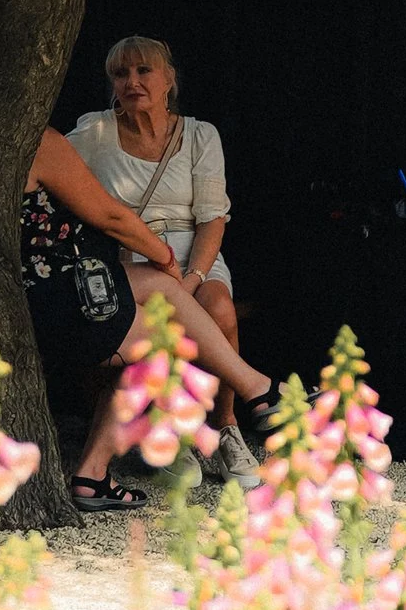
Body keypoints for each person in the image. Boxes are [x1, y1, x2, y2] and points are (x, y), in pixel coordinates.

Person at [20, 127, 281, 515]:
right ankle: (99, 470)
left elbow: (212, 217)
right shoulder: (36, 139)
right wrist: (164, 254)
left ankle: (256, 389)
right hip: (57, 297)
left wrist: (169, 270)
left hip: (46, 284)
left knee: (162, 289)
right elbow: (110, 216)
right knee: (165, 332)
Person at [70, 34, 258, 487]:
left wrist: (190, 278)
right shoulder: (94, 132)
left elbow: (213, 218)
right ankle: (172, 429)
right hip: (126, 254)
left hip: (193, 253)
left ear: (169, 79)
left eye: (143, 70)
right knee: (150, 326)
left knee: (218, 310)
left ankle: (227, 427)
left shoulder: (199, 134)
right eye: (120, 73)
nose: (132, 81)